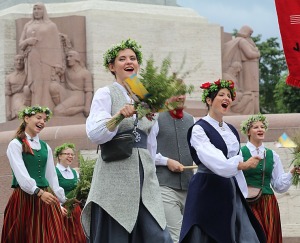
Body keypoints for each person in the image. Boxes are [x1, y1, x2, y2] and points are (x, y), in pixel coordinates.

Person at [82, 39, 172, 242]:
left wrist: (153, 170)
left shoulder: (145, 97)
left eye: (133, 58)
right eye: (122, 59)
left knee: (158, 235)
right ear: (112, 67)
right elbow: (94, 133)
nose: (128, 62)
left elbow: (151, 141)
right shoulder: (106, 93)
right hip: (116, 175)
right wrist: (119, 117)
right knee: (117, 235)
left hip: (143, 176)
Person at [179, 79, 266, 243]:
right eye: (221, 95)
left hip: (229, 189)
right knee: (209, 234)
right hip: (207, 189)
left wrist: (240, 187)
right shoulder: (199, 129)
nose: (227, 98)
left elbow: (235, 158)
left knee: (245, 234)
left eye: (229, 95)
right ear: (209, 100)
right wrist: (241, 165)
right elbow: (215, 160)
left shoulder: (231, 129)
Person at [1, 105, 69, 242]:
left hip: (46, 197)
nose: (42, 122)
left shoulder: (45, 147)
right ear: (27, 118)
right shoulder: (16, 144)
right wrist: (38, 191)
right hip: (25, 198)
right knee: (27, 236)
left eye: (44, 119)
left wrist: (60, 202)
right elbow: (21, 174)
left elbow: (52, 177)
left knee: (51, 237)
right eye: (38, 118)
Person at [240, 114, 299, 243]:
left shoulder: (272, 155)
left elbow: (278, 185)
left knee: (269, 238)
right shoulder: (239, 152)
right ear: (248, 132)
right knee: (251, 236)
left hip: (267, 202)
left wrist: (291, 172)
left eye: (262, 127)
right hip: (246, 201)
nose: (260, 129)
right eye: (256, 127)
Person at [154, 94, 195, 243]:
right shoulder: (155, 119)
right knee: (176, 237)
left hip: (189, 186)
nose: (180, 96)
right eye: (175, 92)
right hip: (165, 186)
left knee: (191, 234)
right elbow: (146, 152)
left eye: (183, 92)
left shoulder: (192, 120)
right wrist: (166, 161)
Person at [19, 2, 64, 110]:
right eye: (34, 9)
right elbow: (21, 44)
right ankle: (35, 109)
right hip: (32, 59)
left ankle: (46, 110)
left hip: (48, 60)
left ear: (44, 11)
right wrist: (28, 41)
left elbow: (57, 46)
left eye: (39, 9)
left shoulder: (51, 26)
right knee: (34, 85)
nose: (36, 11)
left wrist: (58, 64)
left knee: (45, 86)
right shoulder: (28, 25)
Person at [222, 25, 260, 113]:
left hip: (251, 66)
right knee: (252, 90)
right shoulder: (242, 41)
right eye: (250, 33)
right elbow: (250, 54)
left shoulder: (245, 41)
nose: (250, 35)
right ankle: (255, 111)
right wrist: (257, 52)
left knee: (253, 91)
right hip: (249, 67)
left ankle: (255, 110)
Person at [54, 143, 86, 243]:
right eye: (67, 154)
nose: (70, 156)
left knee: (79, 237)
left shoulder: (74, 172)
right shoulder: (54, 172)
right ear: (59, 156)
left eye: (72, 154)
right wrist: (58, 206)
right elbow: (51, 191)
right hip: (61, 210)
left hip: (76, 210)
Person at [50, 50, 93, 117]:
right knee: (53, 86)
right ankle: (64, 107)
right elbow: (61, 83)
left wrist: (87, 106)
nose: (68, 59)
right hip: (67, 93)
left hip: (78, 96)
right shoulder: (66, 71)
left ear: (77, 58)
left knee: (57, 111)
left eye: (70, 56)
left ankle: (81, 108)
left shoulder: (85, 73)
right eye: (67, 57)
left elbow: (89, 91)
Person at [5, 54, 28, 121]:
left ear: (24, 62)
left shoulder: (28, 75)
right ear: (14, 62)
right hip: (16, 98)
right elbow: (7, 95)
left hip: (27, 97)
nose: (19, 62)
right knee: (23, 111)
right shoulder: (9, 77)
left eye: (21, 60)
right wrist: (8, 110)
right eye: (17, 60)